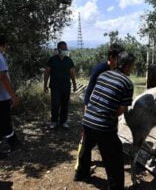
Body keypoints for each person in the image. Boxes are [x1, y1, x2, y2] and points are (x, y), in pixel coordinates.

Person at [80, 52, 135, 190]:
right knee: (115, 159)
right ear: (127, 66)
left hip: (88, 120)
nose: (133, 68)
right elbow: (121, 109)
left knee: (86, 148)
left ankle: (81, 174)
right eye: (132, 66)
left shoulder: (103, 75)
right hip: (103, 126)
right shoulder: (127, 83)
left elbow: (94, 96)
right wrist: (108, 116)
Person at [74, 44, 124, 181]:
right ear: (111, 57)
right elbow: (89, 92)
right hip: (94, 112)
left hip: (106, 114)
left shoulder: (114, 70)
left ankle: (82, 172)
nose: (121, 61)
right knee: (86, 142)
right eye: (118, 58)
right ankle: (81, 171)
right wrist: (86, 114)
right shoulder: (101, 69)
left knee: (90, 142)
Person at [43, 41, 77, 129]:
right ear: (59, 49)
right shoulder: (52, 60)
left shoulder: (69, 60)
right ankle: (54, 121)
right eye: (64, 49)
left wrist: (74, 84)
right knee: (55, 104)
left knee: (65, 105)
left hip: (66, 86)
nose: (66, 50)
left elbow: (72, 73)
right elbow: (47, 73)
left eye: (66, 48)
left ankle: (63, 122)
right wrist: (45, 85)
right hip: (55, 87)